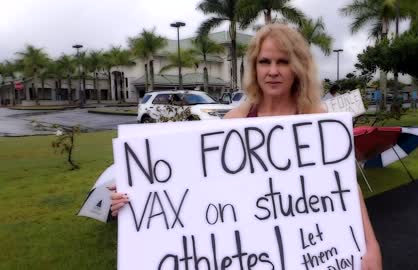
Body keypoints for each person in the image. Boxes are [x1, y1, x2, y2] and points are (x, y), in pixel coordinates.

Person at [110, 23, 382, 270]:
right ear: (254, 67)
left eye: (283, 62)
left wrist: (371, 245)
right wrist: (135, 196)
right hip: (253, 254)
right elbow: (202, 187)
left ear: (298, 68)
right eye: (265, 62)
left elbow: (345, 187)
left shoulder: (318, 121)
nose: (273, 71)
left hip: (309, 250)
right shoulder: (235, 121)